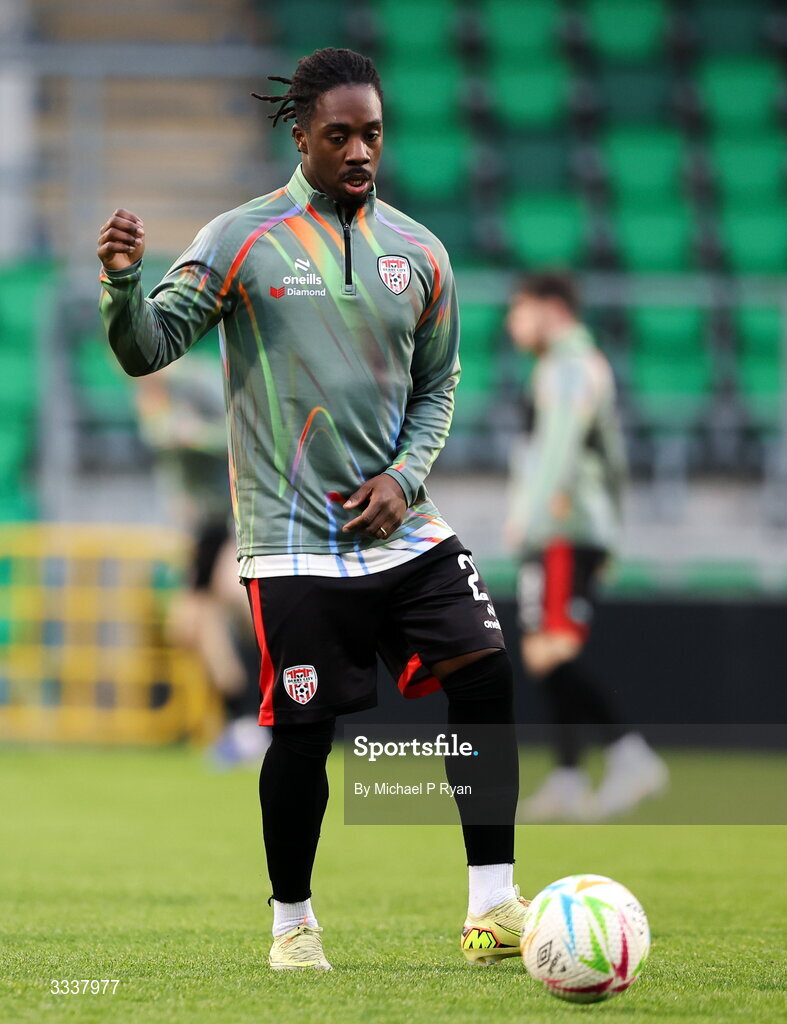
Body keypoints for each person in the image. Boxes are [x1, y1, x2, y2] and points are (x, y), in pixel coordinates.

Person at [97, 48, 526, 971]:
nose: (361, 150)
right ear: (301, 137)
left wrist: (405, 478)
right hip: (293, 541)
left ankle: (493, 906)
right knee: (304, 737)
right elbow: (148, 350)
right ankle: (292, 923)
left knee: (484, 674)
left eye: (372, 132)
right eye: (340, 135)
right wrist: (125, 284)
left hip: (400, 527)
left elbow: (439, 388)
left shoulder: (421, 254)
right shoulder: (239, 239)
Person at [504, 271, 668, 822]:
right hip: (570, 527)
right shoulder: (569, 366)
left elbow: (560, 448)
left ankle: (629, 753)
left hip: (563, 528)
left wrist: (530, 516)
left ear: (550, 309)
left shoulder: (570, 367)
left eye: (519, 310)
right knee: (542, 654)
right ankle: (571, 776)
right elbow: (615, 460)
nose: (512, 324)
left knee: (555, 652)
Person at [135, 358, 271, 767]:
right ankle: (246, 722)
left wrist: (195, 435)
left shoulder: (198, 382)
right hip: (200, 529)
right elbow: (171, 457)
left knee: (225, 598)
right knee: (192, 625)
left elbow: (246, 434)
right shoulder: (149, 395)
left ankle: (261, 709)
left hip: (231, 519)